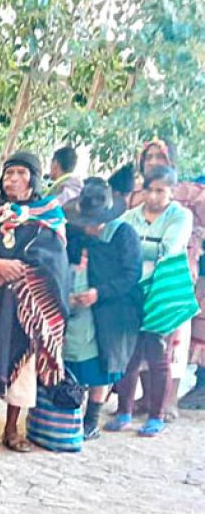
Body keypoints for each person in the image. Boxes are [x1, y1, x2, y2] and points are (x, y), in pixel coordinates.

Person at [0, 150, 70, 452]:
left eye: (20, 173)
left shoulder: (48, 215)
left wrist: (11, 275)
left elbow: (51, 261)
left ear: (33, 180)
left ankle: (12, 428)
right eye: (8, 173)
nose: (12, 179)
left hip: (26, 304)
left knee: (22, 365)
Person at [107, 166, 194, 437]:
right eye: (149, 190)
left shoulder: (180, 215)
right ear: (142, 190)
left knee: (157, 353)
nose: (154, 196)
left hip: (162, 290)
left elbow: (168, 249)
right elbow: (116, 243)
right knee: (128, 352)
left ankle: (155, 416)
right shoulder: (131, 215)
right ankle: (124, 412)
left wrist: (131, 246)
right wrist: (138, 247)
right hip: (131, 291)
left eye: (160, 191)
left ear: (172, 191)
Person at [63, 178, 142, 439]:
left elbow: (131, 274)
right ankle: (67, 413)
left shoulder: (124, 234)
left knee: (102, 366)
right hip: (77, 309)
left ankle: (92, 419)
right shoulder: (73, 233)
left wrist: (100, 293)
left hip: (113, 311)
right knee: (73, 361)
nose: (91, 227)